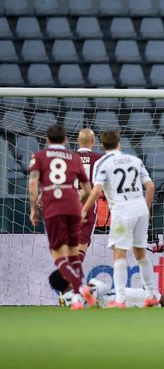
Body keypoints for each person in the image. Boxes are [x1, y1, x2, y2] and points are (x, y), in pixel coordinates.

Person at [80, 130, 158, 309]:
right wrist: (145, 208)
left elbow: (97, 190)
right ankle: (151, 295)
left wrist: (84, 209)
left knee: (119, 253)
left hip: (122, 212)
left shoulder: (102, 163)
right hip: (140, 210)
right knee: (140, 254)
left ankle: (120, 300)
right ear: (119, 143)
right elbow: (151, 187)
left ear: (101, 145)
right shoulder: (135, 160)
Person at [28, 124, 93, 310]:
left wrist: (33, 208)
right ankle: (80, 294)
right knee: (74, 254)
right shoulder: (74, 157)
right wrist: (76, 201)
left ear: (47, 140)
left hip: (54, 208)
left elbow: (33, 182)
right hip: (73, 207)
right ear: (65, 140)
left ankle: (79, 292)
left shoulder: (39, 156)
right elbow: (87, 190)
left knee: (58, 255)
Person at [49, 270, 164, 308]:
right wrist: (93, 281)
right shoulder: (76, 295)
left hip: (117, 299)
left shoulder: (65, 299)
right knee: (161, 300)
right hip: (121, 299)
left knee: (160, 300)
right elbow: (103, 286)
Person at [75, 128, 104, 262]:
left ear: (78, 141)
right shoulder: (100, 159)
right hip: (88, 205)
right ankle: (71, 276)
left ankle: (65, 276)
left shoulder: (67, 158)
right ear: (93, 141)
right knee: (82, 245)